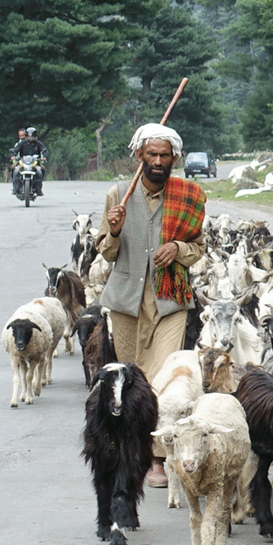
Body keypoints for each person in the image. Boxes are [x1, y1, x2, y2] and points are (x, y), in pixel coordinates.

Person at [96, 123, 206, 489]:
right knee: (133, 379)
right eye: (152, 155)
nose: (158, 162)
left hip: (170, 300)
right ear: (140, 156)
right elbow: (106, 251)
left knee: (163, 379)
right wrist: (114, 230)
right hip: (127, 301)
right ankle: (134, 452)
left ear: (175, 158)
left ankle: (158, 459)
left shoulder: (188, 195)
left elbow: (198, 248)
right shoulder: (118, 195)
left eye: (165, 156)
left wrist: (177, 248)